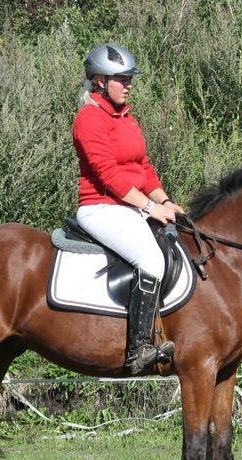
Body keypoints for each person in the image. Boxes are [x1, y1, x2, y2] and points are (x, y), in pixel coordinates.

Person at [72, 42, 184, 375]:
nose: (128, 84)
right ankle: (139, 349)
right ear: (99, 81)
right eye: (121, 78)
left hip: (130, 205)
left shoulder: (126, 117)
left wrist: (163, 200)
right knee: (150, 260)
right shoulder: (88, 119)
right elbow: (108, 175)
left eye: (129, 78)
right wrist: (150, 206)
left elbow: (143, 166)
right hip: (101, 206)